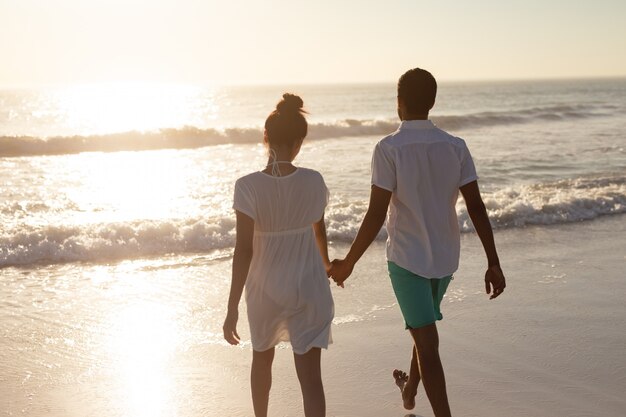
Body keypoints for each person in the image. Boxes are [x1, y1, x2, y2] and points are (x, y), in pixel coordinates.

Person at [328, 68, 506, 417]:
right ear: (433, 102)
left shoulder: (388, 148)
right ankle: (410, 390)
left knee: (427, 340)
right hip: (445, 257)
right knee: (422, 328)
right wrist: (493, 261)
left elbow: (377, 213)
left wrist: (348, 262)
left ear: (400, 103)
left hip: (407, 260)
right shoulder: (455, 146)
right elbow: (476, 205)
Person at [222, 93, 334, 417]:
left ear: (266, 137)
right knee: (311, 380)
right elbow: (319, 231)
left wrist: (231, 307)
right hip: (309, 287)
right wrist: (328, 266)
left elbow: (243, 249)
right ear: (299, 141)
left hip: (265, 289)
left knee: (262, 363)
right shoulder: (314, 181)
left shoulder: (247, 186)